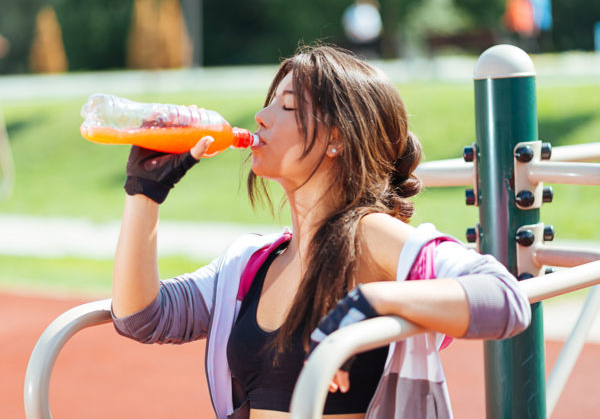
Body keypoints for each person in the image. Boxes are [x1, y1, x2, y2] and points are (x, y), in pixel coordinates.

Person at [111, 44, 531, 418]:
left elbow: (506, 299)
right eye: (269, 103)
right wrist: (145, 194)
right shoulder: (253, 265)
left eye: (287, 106)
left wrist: (369, 301)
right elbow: (141, 318)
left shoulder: (370, 236)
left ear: (337, 138)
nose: (260, 116)